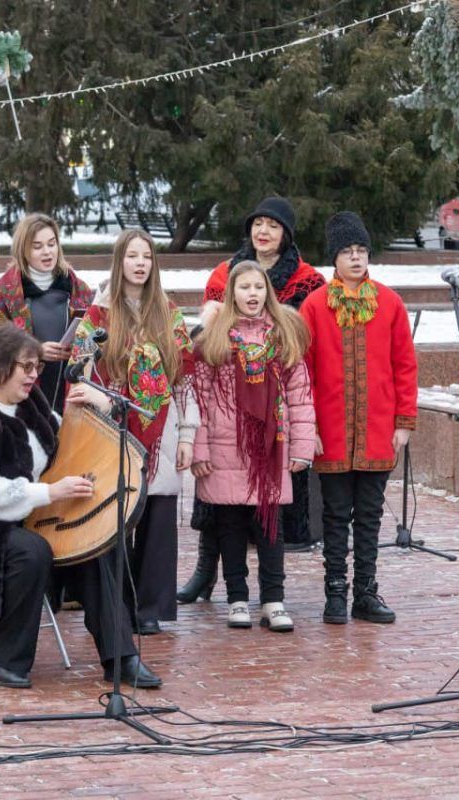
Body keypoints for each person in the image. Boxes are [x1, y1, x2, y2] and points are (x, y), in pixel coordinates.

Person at [0, 323, 162, 689]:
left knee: (92, 541)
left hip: (27, 509)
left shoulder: (28, 400)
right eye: (27, 367)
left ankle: (121, 658)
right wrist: (51, 493)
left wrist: (91, 408)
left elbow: (58, 439)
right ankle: (6, 658)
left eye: (37, 367)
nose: (36, 375)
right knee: (31, 551)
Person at [180, 196, 327, 604]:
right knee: (218, 501)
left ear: (286, 234)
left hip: (273, 412)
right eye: (258, 223)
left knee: (269, 514)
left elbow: (305, 352)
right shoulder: (225, 274)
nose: (263, 232)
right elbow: (201, 347)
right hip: (227, 413)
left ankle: (271, 594)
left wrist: (306, 427)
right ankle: (207, 573)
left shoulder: (306, 281)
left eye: (273, 226)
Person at [66, 228, 198, 635]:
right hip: (114, 428)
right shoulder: (99, 314)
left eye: (147, 257)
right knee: (118, 514)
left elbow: (185, 380)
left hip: (162, 426)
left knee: (158, 515)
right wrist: (102, 398)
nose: (140, 263)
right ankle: (116, 605)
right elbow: (80, 372)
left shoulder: (169, 313)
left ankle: (150, 608)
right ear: (119, 261)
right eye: (132, 256)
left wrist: (188, 433)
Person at [300, 212, 417, 625]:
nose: (355, 258)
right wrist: (307, 427)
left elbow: (404, 364)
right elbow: (305, 371)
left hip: (377, 429)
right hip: (329, 431)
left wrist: (404, 421)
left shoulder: (389, 302)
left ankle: (366, 592)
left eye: (361, 251)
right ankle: (336, 591)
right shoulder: (315, 306)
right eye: (347, 251)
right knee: (334, 515)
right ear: (334, 257)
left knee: (369, 515)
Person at [190, 261, 315, 631]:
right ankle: (237, 598)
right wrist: (200, 450)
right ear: (231, 294)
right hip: (226, 448)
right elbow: (200, 399)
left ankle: (273, 599)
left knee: (270, 528)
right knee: (230, 527)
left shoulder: (282, 337)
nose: (252, 294)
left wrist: (302, 447)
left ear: (268, 293)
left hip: (270, 448)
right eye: (244, 287)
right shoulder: (215, 339)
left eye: (258, 287)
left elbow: (300, 396)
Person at [0, 213, 94, 414]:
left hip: (70, 394)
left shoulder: (79, 289)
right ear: (23, 250)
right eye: (37, 246)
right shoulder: (3, 293)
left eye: (51, 244)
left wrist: (79, 348)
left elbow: (98, 338)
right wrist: (35, 351)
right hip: (22, 401)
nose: (47, 252)